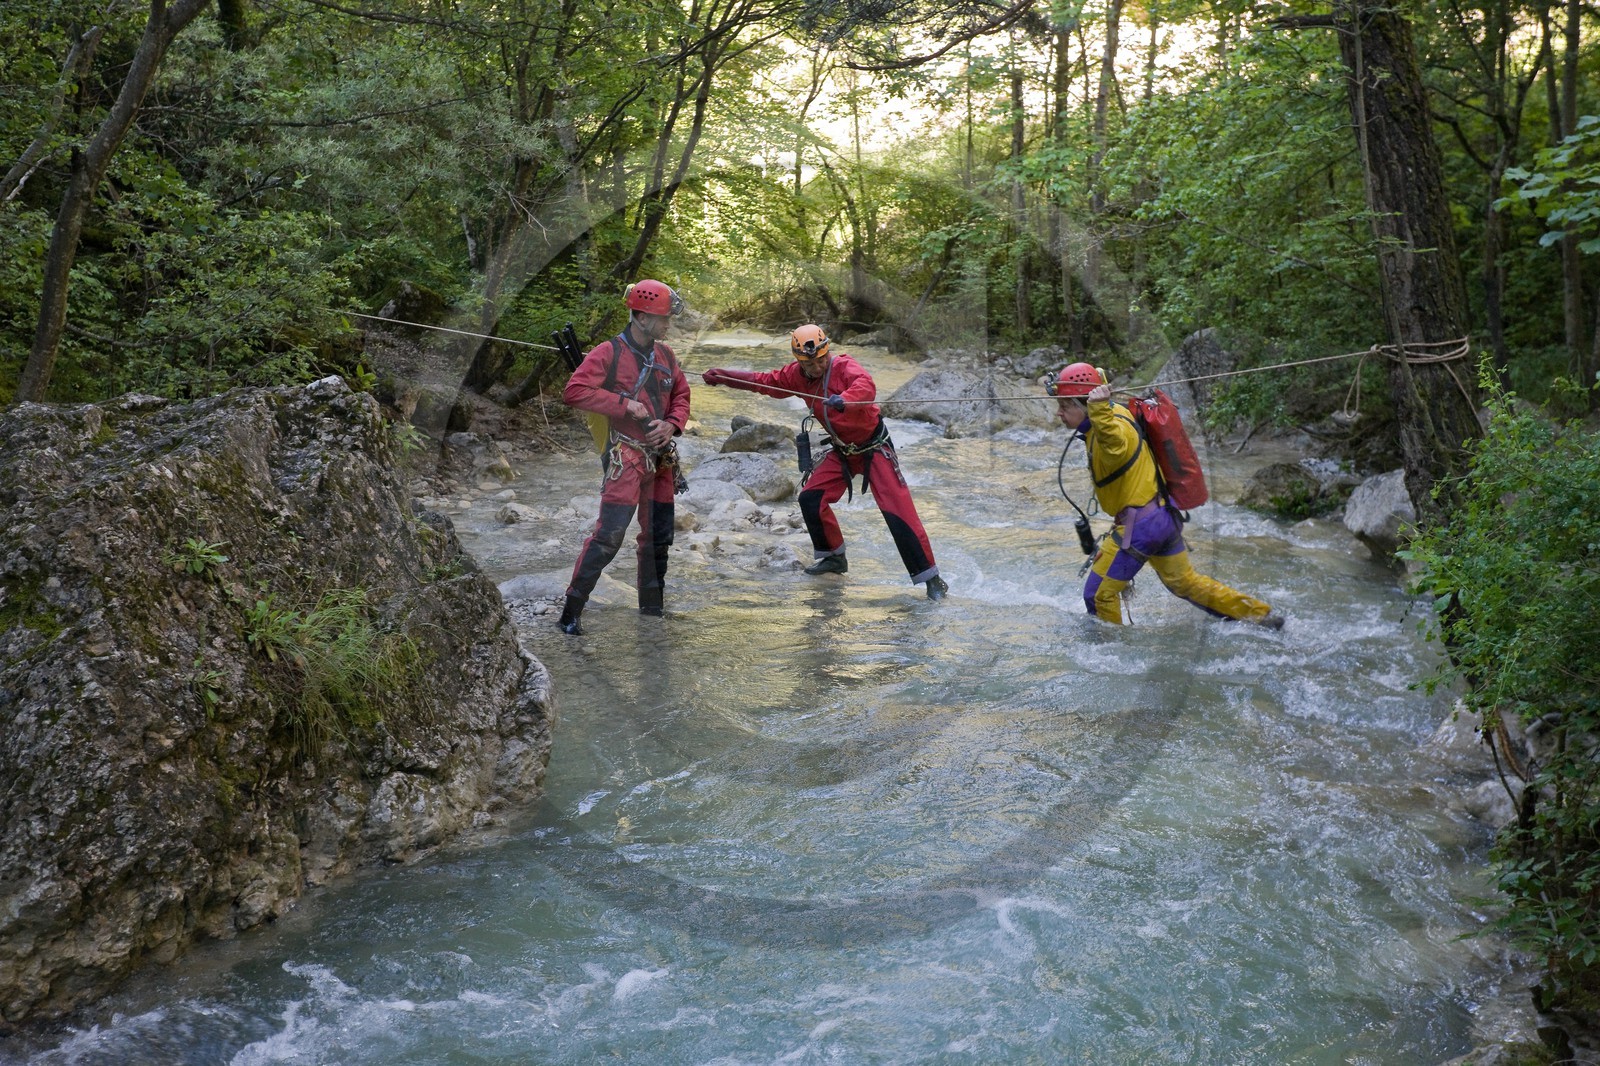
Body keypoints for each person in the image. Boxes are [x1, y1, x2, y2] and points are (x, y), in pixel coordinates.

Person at [701, 324, 948, 601]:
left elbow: (865, 385)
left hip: (874, 447)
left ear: (827, 351)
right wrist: (724, 377)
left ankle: (932, 580)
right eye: (810, 363)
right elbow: (763, 382)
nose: (817, 367)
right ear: (799, 361)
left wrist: (845, 399)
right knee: (810, 498)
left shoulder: (843, 366)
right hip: (843, 450)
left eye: (821, 359)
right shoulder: (795, 376)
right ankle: (834, 558)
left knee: (897, 512)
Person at [1052, 361, 1282, 628]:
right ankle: (1260, 616)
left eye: (1065, 406)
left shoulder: (1109, 426)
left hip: (1140, 527)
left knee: (1098, 595)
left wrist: (1099, 408)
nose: (1059, 413)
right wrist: (1100, 399)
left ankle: (1113, 651)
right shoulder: (1113, 413)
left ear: (1085, 406)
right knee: (1184, 582)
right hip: (1161, 517)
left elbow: (1115, 447)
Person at [556, 280, 691, 634]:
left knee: (658, 538)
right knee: (609, 537)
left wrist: (672, 424)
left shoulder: (666, 356)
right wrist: (623, 404)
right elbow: (574, 391)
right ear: (643, 318)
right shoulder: (608, 353)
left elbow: (681, 394)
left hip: (660, 461)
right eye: (664, 318)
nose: (668, 325)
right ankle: (570, 614)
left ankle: (652, 612)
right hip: (625, 459)